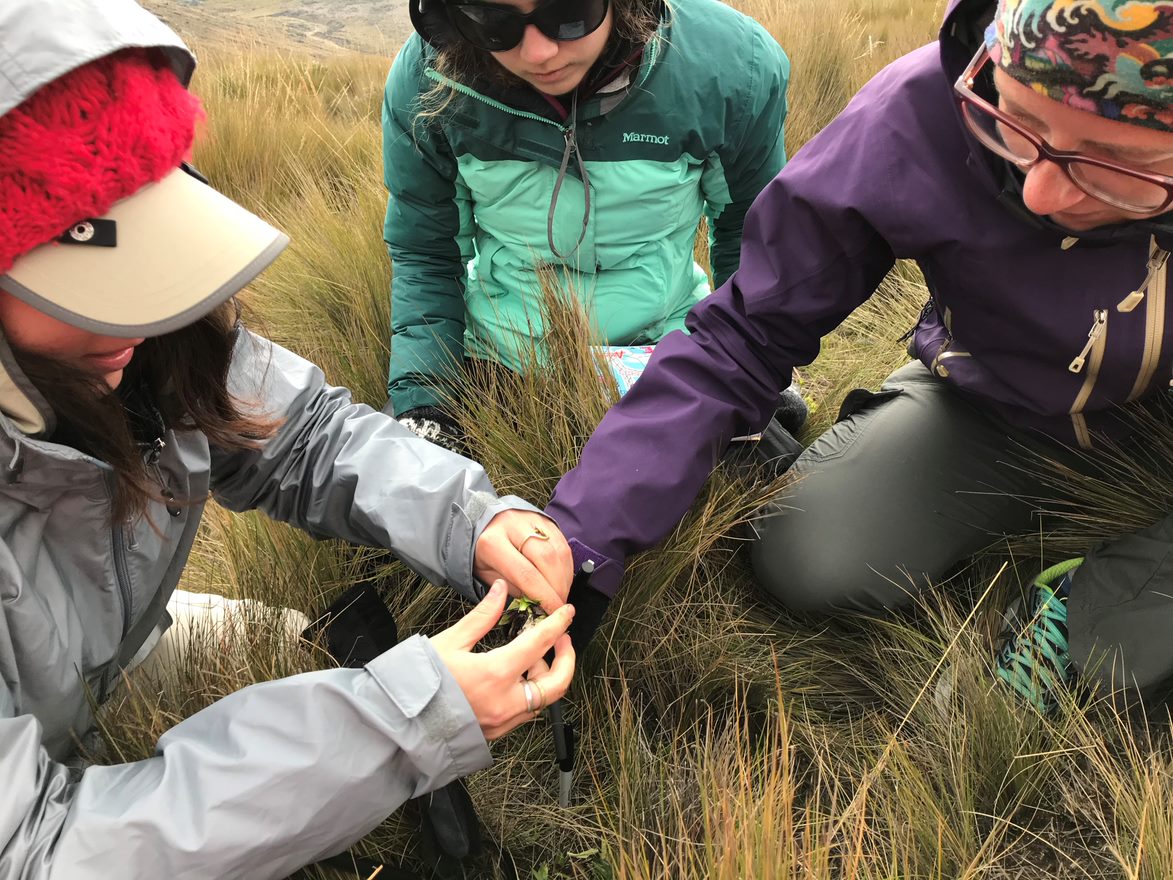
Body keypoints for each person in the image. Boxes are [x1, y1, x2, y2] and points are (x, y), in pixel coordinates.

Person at [0, 2, 577, 876]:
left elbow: (300, 432)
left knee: (299, 640)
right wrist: (402, 725)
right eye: (82, 276)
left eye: (149, 248)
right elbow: (35, 854)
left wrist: (472, 519)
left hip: (100, 658)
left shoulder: (140, 349)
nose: (138, 322)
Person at [545, 0, 1173, 712]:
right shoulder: (921, 111)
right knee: (809, 556)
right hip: (1000, 403)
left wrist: (1105, 615)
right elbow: (744, 331)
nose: (1037, 190)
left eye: (1111, 161)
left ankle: (1089, 620)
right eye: (1015, 118)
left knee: (1106, 642)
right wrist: (584, 536)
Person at [381, 0, 806, 450]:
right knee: (399, 490)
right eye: (494, 23)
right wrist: (427, 400)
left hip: (668, 345)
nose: (539, 52)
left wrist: (750, 362)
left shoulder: (734, 68)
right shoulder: (427, 79)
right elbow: (427, 252)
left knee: (771, 487)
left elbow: (748, 232)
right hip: (502, 355)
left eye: (567, 12)